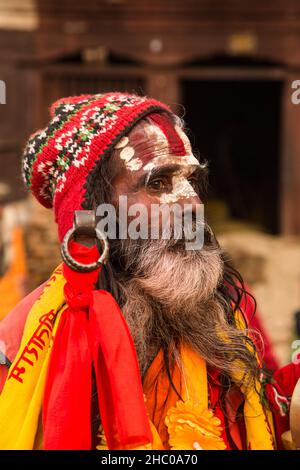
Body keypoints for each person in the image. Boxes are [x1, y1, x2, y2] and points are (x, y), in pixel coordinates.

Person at [0, 92, 298, 450]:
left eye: (191, 181)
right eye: (158, 183)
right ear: (91, 215)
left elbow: (261, 424)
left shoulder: (223, 313)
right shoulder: (24, 348)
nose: (192, 204)